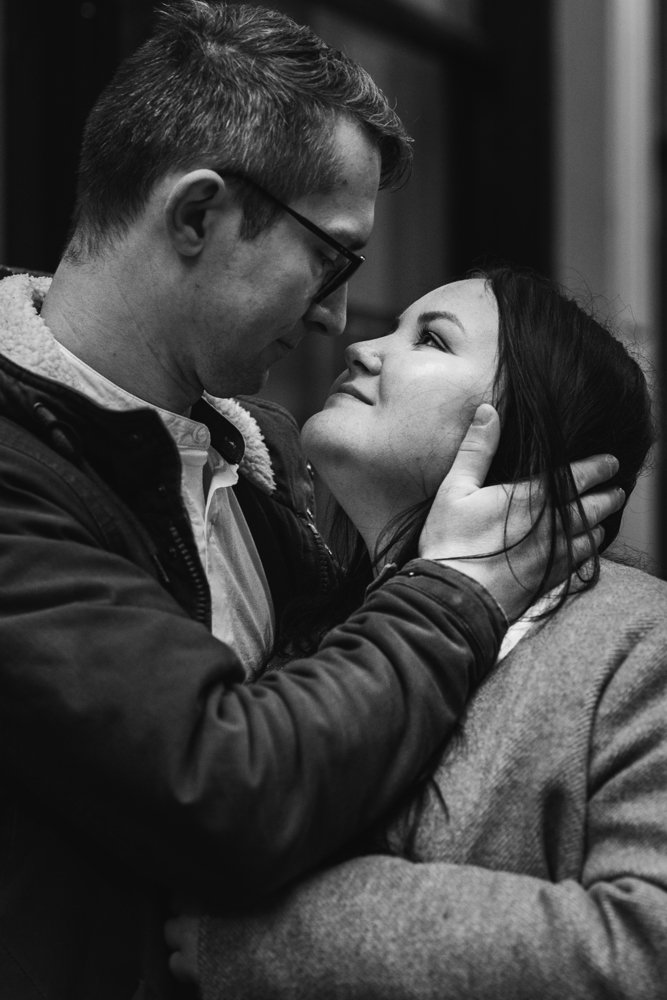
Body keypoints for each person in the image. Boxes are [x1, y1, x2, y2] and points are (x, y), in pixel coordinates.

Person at [0, 5, 621, 998]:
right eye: (331, 259)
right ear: (197, 216)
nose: (341, 322)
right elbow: (226, 790)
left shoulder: (267, 470)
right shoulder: (18, 468)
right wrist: (455, 591)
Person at [166, 267, 667, 1000]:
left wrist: (260, 937)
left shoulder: (639, 642)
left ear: (527, 419)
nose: (362, 348)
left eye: (431, 339)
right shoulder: (297, 626)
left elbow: (646, 949)